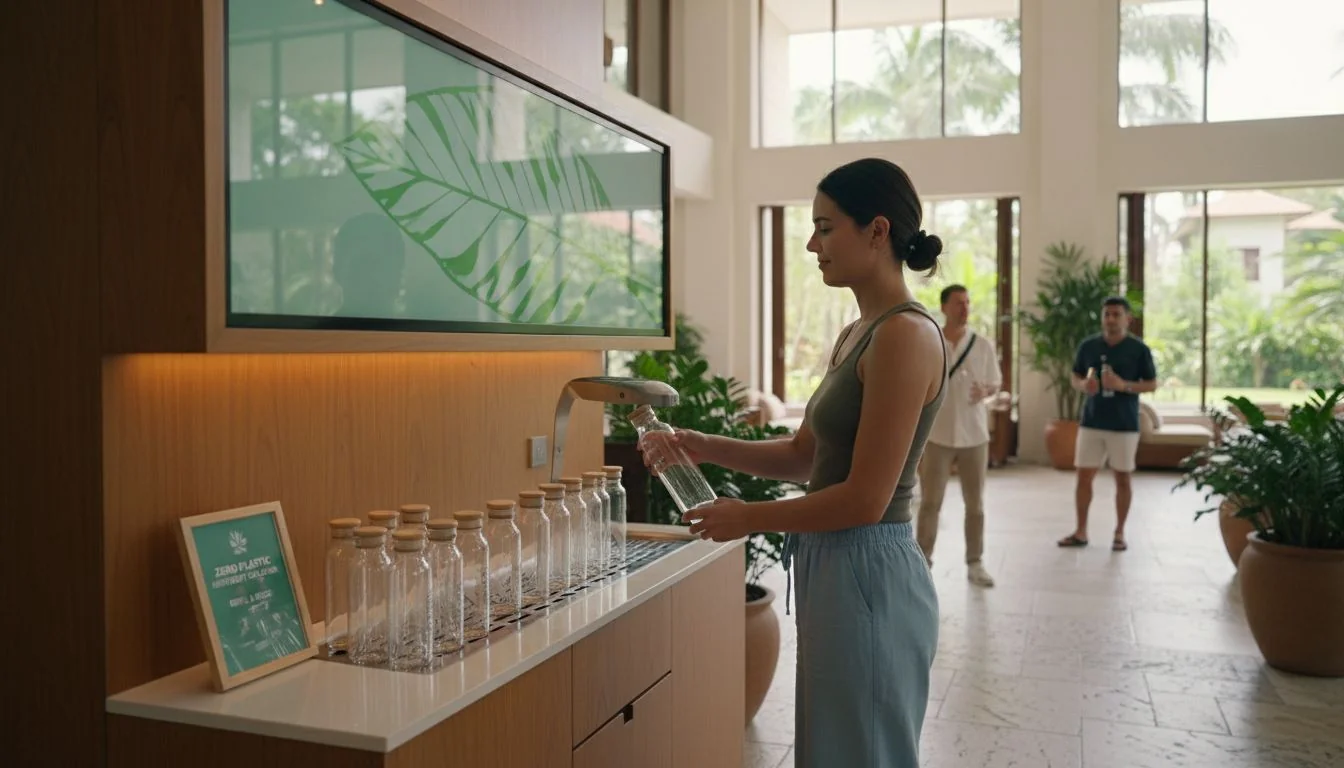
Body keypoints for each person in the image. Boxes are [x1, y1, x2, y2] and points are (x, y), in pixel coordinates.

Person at [642, 158, 944, 768]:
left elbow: (866, 499)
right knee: (833, 747)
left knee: (865, 751)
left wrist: (748, 516)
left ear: (877, 231)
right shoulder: (858, 332)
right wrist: (702, 443)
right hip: (833, 561)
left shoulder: (904, 336)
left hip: (870, 567)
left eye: (826, 228)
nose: (812, 244)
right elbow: (804, 455)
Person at [1057, 297, 1158, 552]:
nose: (1111, 319)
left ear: (1127, 319)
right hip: (1092, 421)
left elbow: (1152, 384)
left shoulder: (1138, 349)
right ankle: (1080, 531)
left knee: (1122, 478)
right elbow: (1075, 376)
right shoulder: (1088, 346)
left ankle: (1119, 533)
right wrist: (1084, 385)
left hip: (1124, 424)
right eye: (1107, 315)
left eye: (1116, 314)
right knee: (1083, 477)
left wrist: (1123, 385)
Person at [916, 284, 1000, 587]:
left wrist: (985, 391)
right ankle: (922, 562)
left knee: (975, 504)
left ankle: (975, 562)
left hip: (974, 436)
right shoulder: (930, 340)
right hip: (937, 435)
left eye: (967, 302)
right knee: (930, 502)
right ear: (944, 307)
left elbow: (995, 384)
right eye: (958, 303)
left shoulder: (982, 344)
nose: (964, 308)